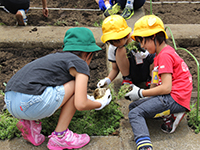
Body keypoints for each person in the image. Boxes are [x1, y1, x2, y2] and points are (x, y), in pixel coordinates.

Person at [4, 27, 112, 149]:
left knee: (48, 85)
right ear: (89, 54)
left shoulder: (56, 59)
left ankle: (30, 125)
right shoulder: (80, 63)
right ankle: (60, 136)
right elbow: (80, 104)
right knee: (74, 85)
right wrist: (100, 103)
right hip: (30, 103)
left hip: (10, 101)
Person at [125, 15, 193, 150]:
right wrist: (145, 96)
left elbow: (167, 87)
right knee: (133, 107)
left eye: (143, 41)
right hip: (176, 96)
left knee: (135, 114)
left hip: (175, 97)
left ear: (154, 36)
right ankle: (170, 114)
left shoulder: (165, 56)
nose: (142, 46)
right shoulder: (160, 54)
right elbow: (156, 81)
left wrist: (140, 92)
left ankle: (145, 146)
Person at [97, 15, 155, 89]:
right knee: (120, 50)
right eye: (111, 42)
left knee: (155, 55)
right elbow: (115, 69)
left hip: (147, 69)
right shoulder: (114, 48)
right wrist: (108, 80)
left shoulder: (138, 38)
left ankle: (150, 79)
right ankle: (127, 80)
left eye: (117, 41)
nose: (114, 44)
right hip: (132, 72)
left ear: (127, 35)